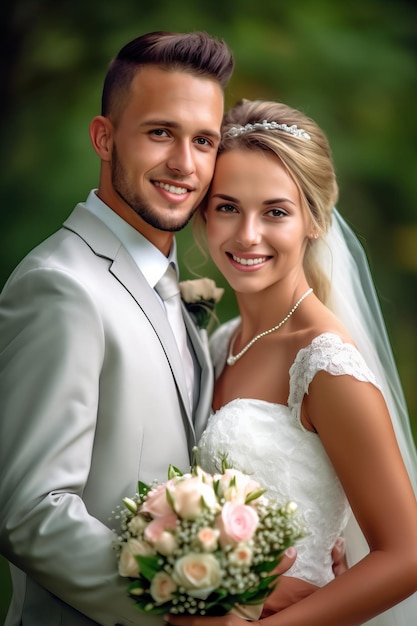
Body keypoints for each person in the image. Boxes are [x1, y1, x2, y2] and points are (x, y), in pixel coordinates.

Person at [0, 31, 234, 626]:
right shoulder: (60, 286)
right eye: (161, 133)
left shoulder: (172, 286)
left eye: (203, 141)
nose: (184, 164)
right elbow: (29, 511)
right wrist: (186, 603)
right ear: (104, 138)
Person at [166, 99, 417, 626]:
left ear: (315, 221)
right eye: (228, 206)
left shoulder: (325, 365)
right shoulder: (224, 341)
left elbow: (406, 556)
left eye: (275, 211)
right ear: (204, 212)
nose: (247, 235)